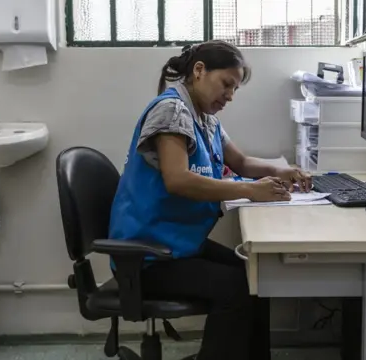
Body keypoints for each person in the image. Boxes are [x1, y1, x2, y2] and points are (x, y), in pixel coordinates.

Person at [109, 40, 312, 360]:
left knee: (258, 274)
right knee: (236, 288)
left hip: (178, 244)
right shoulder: (171, 110)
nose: (230, 96)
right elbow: (177, 179)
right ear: (199, 71)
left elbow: (241, 163)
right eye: (226, 84)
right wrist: (248, 190)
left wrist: (282, 170)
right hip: (149, 255)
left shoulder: (205, 118)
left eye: (235, 89)